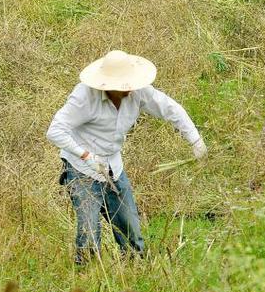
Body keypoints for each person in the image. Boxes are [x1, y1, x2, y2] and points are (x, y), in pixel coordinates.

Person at [46, 50, 207, 264]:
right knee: (89, 232)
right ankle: (85, 274)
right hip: (82, 169)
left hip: (113, 165)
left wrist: (195, 140)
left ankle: (135, 268)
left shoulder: (139, 92)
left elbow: (170, 109)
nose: (128, 88)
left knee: (130, 228)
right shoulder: (84, 97)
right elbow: (55, 130)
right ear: (107, 84)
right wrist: (85, 155)